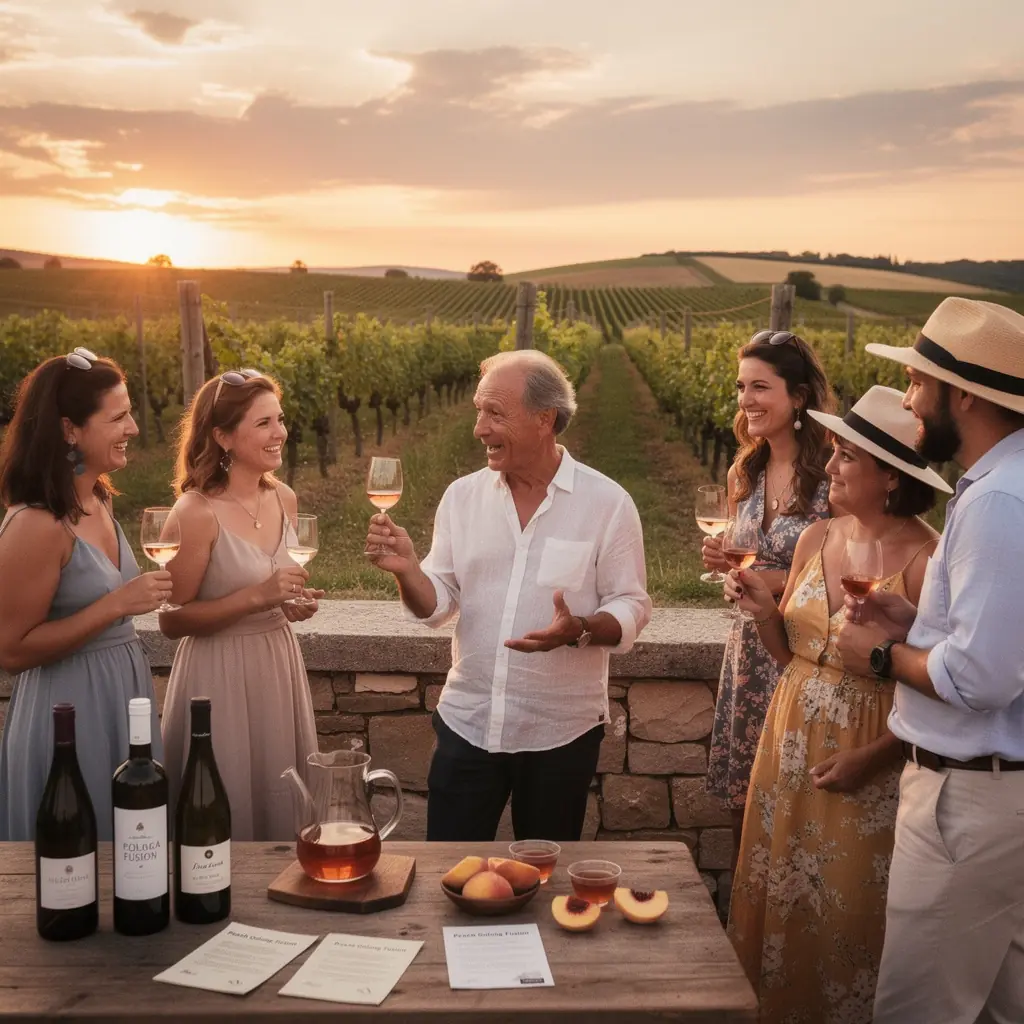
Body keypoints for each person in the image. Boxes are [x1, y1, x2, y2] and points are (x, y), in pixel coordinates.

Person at [725, 386, 949, 1023]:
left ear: (891, 477)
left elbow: (945, 690)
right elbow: (790, 656)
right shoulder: (816, 537)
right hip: (788, 743)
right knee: (781, 898)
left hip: (870, 759)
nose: (828, 467)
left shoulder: (929, 560)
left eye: (846, 457)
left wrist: (872, 759)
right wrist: (764, 612)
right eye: (833, 452)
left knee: (850, 915)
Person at [366, 349, 651, 842]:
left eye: (495, 413)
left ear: (545, 419)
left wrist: (579, 629)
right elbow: (436, 605)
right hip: (468, 721)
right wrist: (408, 571)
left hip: (560, 732)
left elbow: (631, 604)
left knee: (545, 876)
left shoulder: (607, 504)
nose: (479, 428)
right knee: (449, 870)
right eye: (479, 411)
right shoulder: (462, 497)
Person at [836, 298, 1024, 1024]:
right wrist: (916, 622)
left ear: (965, 395)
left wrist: (883, 654)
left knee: (916, 1009)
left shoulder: (998, 502)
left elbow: (980, 679)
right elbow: (999, 644)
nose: (909, 400)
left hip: (967, 805)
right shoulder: (1004, 486)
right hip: (995, 799)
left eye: (918, 382)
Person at [0, 348, 172, 840]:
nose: (133, 428)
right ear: (70, 429)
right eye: (118, 418)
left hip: (122, 693)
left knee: (133, 849)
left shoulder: (98, 499)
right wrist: (118, 604)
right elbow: (11, 651)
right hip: (69, 710)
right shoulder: (36, 523)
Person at [158, 369, 322, 841]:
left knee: (280, 798)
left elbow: (277, 591)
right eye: (263, 423)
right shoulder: (195, 512)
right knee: (224, 802)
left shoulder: (285, 498)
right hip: (218, 676)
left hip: (278, 665)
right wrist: (258, 595)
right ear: (223, 436)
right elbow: (171, 620)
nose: (280, 433)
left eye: (280, 419)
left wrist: (291, 604)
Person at [702, 329, 834, 858]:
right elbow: (745, 561)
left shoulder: (833, 474)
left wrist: (773, 579)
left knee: (797, 806)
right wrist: (726, 568)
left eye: (760, 387)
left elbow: (847, 569)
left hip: (802, 655)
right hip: (747, 657)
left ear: (798, 397)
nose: (746, 400)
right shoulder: (745, 470)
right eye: (741, 387)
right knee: (744, 804)